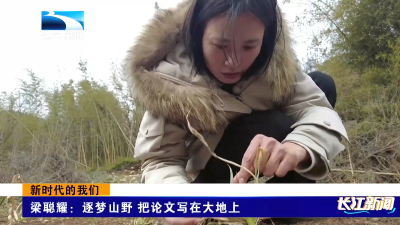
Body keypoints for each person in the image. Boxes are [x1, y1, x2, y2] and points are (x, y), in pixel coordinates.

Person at [124, 0, 348, 223]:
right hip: (211, 178)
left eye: (249, 46)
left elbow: (316, 108)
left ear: (266, 38)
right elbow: (159, 161)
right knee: (272, 125)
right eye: (221, 46)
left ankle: (286, 209)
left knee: (321, 84)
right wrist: (176, 195)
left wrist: (299, 146)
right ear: (196, 34)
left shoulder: (276, 63)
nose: (233, 61)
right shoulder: (168, 79)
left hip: (266, 157)